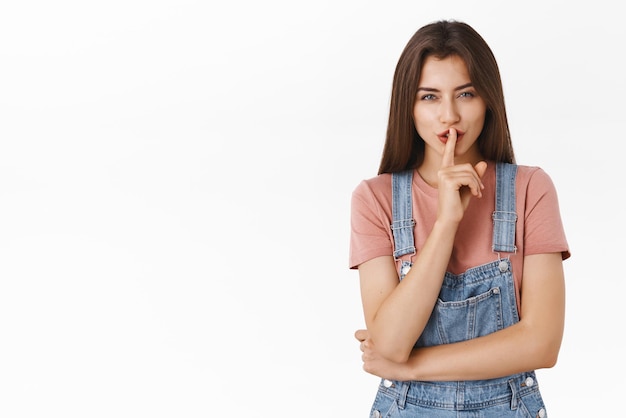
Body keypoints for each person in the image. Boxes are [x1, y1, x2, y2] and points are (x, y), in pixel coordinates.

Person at [349, 20, 570, 417]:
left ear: (488, 98)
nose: (449, 116)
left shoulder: (530, 189)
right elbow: (390, 343)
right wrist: (447, 222)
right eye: (429, 97)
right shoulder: (375, 199)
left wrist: (412, 367)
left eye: (465, 93)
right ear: (408, 106)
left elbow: (541, 344)